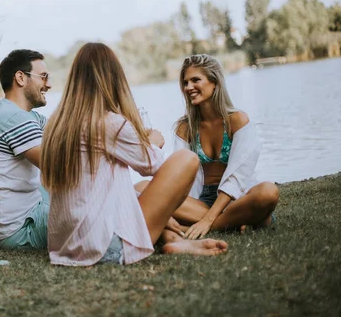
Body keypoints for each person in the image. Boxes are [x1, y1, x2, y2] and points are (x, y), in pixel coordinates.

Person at [40, 43, 228, 266]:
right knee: (186, 160)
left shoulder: (55, 124)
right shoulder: (108, 123)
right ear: (113, 78)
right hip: (105, 247)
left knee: (134, 190)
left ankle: (172, 240)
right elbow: (155, 166)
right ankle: (170, 236)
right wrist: (153, 143)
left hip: (65, 247)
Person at [172, 54, 279, 240]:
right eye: (185, 82)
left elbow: (238, 177)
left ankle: (207, 226)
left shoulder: (237, 120)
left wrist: (207, 220)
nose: (188, 87)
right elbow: (178, 176)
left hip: (238, 198)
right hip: (201, 201)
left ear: (214, 83)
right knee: (146, 191)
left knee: (268, 192)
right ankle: (238, 222)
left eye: (195, 80)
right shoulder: (185, 128)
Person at [0, 49, 52, 250]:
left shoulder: (17, 113)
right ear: (20, 78)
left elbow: (64, 129)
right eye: (43, 77)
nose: (48, 84)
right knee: (91, 202)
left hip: (24, 212)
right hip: (19, 230)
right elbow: (58, 167)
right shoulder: (13, 118)